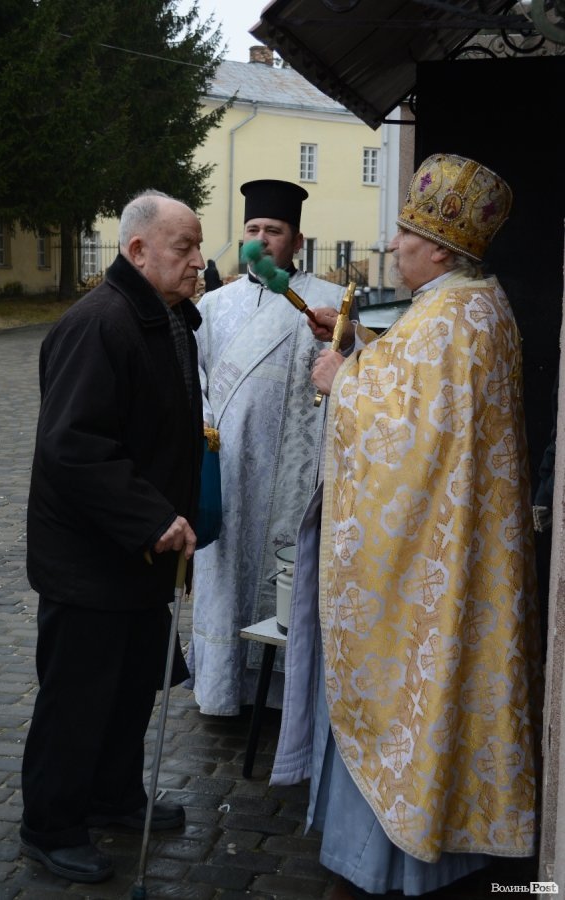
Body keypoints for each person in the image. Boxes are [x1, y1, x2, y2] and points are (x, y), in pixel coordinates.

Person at [272, 154, 542, 898]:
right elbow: (425, 403)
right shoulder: (469, 304)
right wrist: (360, 346)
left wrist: (342, 381)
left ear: (442, 249)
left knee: (413, 697)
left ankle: (397, 863)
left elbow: (412, 442)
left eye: (404, 234)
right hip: (457, 550)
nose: (393, 246)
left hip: (431, 565)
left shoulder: (458, 315)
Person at [20, 189, 205, 884]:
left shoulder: (160, 316)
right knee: (78, 697)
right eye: (183, 248)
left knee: (131, 686)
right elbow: (72, 446)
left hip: (138, 558)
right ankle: (52, 823)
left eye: (196, 246)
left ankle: (113, 795)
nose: (197, 261)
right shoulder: (99, 323)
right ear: (137, 251)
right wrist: (150, 517)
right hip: (91, 559)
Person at [185, 178, 351, 716]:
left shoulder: (329, 304)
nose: (261, 239)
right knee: (227, 572)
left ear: (296, 242)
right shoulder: (213, 305)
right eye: (253, 229)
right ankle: (222, 689)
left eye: (273, 231)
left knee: (288, 577)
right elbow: (198, 380)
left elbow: (356, 371)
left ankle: (283, 698)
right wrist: (207, 435)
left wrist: (344, 341)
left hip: (296, 475)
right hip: (229, 469)